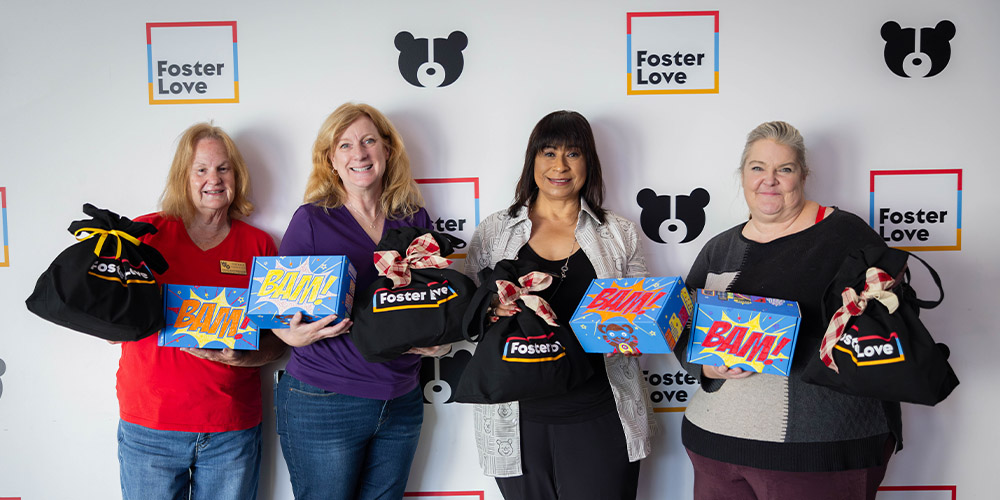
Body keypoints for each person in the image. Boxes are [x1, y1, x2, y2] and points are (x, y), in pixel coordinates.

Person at [674, 121, 901, 500]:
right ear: (742, 174)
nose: (769, 180)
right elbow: (684, 332)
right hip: (715, 446)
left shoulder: (847, 236)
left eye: (785, 169)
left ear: (804, 175)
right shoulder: (720, 248)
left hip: (818, 453)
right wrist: (706, 366)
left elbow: (890, 331)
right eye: (757, 167)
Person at [465, 110, 655, 500]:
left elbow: (642, 319)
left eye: (573, 153)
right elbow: (467, 317)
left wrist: (638, 330)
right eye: (549, 153)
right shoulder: (494, 232)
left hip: (600, 412)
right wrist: (489, 309)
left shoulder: (618, 233)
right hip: (516, 420)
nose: (560, 166)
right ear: (532, 160)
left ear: (589, 162)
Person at [273, 102, 445, 500]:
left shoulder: (413, 218)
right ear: (331, 160)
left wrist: (441, 341)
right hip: (325, 399)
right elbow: (274, 308)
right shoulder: (312, 221)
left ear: (387, 149)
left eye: (369, 141)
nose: (360, 153)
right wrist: (289, 336)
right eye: (345, 145)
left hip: (402, 397)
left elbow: (435, 299)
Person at [116, 123, 285, 500]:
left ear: (236, 177)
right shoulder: (144, 233)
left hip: (231, 429)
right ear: (184, 177)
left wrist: (244, 356)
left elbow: (279, 343)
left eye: (223, 168)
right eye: (202, 169)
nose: (214, 179)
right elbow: (111, 315)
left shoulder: (258, 245)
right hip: (152, 427)